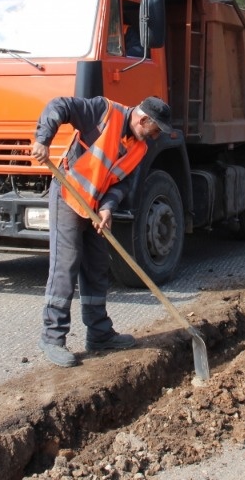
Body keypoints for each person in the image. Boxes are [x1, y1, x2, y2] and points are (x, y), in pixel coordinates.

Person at [30, 95, 173, 367]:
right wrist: (43, 139)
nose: (154, 137)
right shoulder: (103, 112)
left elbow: (122, 183)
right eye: (154, 130)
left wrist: (108, 208)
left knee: (96, 266)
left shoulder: (139, 148)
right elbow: (59, 105)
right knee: (66, 265)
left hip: (94, 206)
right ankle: (52, 337)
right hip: (68, 196)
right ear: (143, 120)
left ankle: (99, 333)